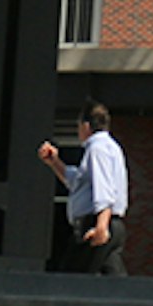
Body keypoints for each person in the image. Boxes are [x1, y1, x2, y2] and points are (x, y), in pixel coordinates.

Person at [38, 99, 127, 274]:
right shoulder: (112, 147)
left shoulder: (97, 149)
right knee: (113, 286)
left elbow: (104, 188)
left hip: (95, 224)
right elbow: (78, 183)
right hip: (112, 225)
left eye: (78, 125)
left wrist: (101, 226)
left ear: (86, 126)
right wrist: (55, 163)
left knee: (71, 280)